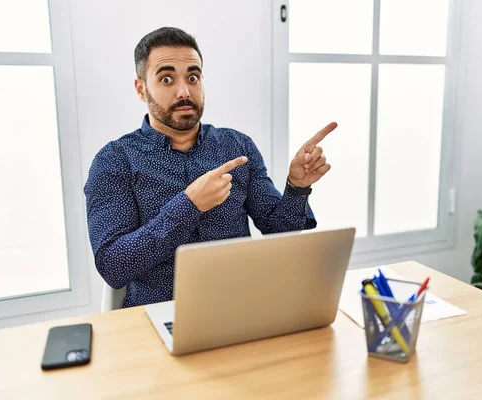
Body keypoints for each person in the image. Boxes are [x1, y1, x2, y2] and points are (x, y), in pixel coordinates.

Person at [84, 27, 337, 307]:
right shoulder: (114, 161)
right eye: (166, 78)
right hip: (159, 315)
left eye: (193, 77)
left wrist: (297, 187)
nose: (184, 91)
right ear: (141, 89)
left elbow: (279, 230)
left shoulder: (237, 146)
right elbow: (113, 265)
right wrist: (189, 205)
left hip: (242, 307)